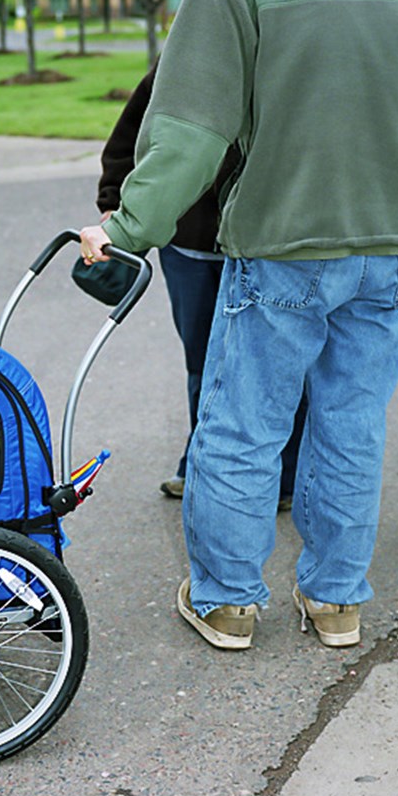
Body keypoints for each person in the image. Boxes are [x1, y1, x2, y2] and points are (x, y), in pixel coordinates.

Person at [79, 0, 398, 651]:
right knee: (352, 425)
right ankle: (337, 602)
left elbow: (191, 131)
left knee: (242, 424)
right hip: (390, 243)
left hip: (286, 242)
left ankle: (227, 602)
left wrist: (130, 229)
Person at [96, 62, 306, 512]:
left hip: (266, 243)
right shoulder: (185, 57)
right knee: (204, 360)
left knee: (276, 361)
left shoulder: (282, 47)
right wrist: (114, 203)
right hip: (190, 242)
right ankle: (202, 465)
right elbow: (132, 133)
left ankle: (284, 475)